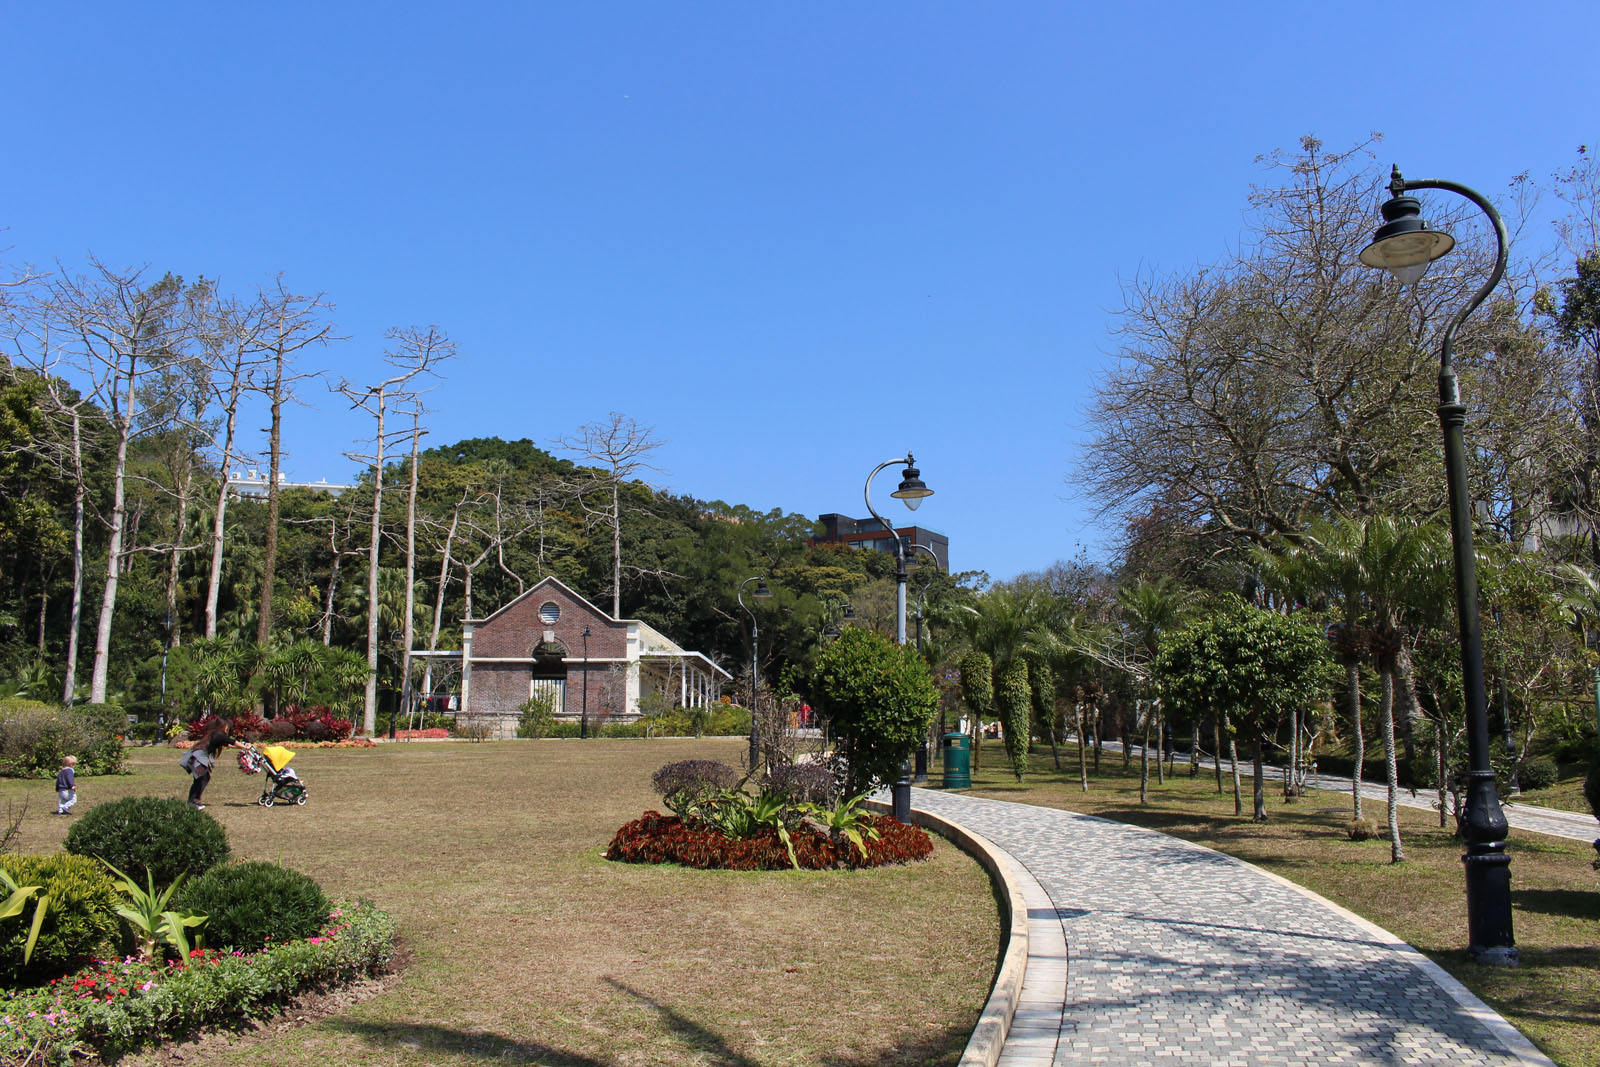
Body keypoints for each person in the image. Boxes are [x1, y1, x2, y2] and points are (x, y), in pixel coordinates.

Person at [179, 729, 233, 809]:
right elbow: (231, 741)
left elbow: (228, 744)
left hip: (197, 758)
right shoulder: (214, 738)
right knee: (201, 779)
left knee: (202, 779)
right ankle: (193, 801)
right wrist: (244, 747)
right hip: (197, 759)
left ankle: (193, 801)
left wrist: (243, 746)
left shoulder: (210, 739)